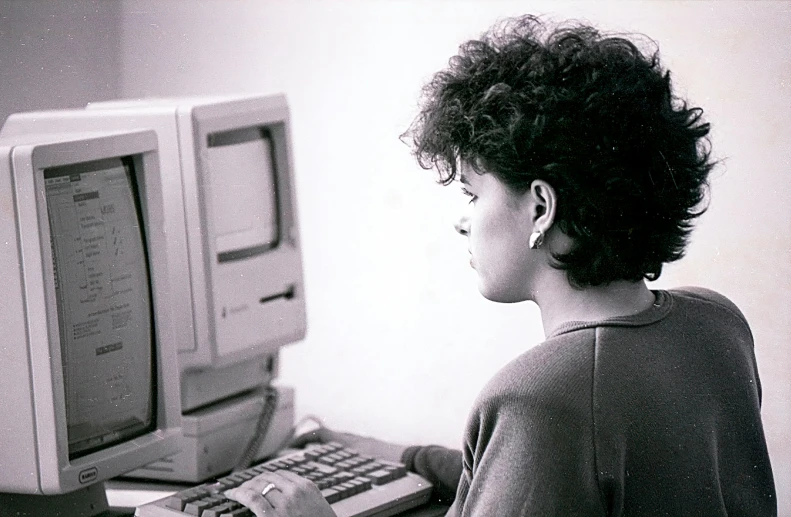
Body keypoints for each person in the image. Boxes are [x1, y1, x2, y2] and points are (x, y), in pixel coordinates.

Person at [225, 14, 777, 516]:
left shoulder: (537, 399)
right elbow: (540, 467)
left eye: (472, 193)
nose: (463, 221)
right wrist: (387, 455)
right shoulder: (718, 324)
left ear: (541, 207)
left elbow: (549, 439)